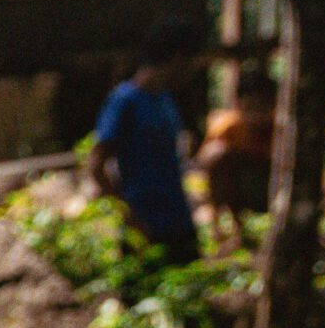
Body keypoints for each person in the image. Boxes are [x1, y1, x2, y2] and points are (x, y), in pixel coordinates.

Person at [90, 16, 204, 268]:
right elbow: (97, 165)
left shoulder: (166, 100)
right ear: (178, 58)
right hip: (145, 226)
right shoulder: (124, 101)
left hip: (178, 221)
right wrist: (129, 218)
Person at [198, 66, 277, 227]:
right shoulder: (227, 127)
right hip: (239, 189)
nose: (256, 115)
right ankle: (228, 223)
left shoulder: (281, 128)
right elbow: (205, 163)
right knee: (216, 153)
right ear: (238, 105)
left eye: (262, 107)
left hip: (270, 188)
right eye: (250, 107)